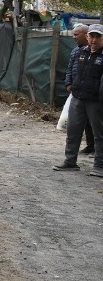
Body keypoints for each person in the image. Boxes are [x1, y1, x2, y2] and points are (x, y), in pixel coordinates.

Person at [53, 24, 103, 176]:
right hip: (77, 98)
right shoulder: (80, 52)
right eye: (92, 36)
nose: (94, 40)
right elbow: (72, 69)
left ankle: (99, 166)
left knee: (99, 134)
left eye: (98, 37)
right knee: (73, 131)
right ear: (88, 37)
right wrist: (70, 84)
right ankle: (70, 162)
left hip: (96, 101)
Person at [63, 24, 94, 155]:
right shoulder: (76, 51)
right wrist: (68, 83)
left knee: (94, 122)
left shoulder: (95, 52)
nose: (74, 37)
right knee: (82, 122)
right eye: (73, 34)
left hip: (92, 93)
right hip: (77, 90)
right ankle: (89, 146)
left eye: (76, 34)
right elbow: (70, 68)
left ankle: (96, 149)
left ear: (86, 35)